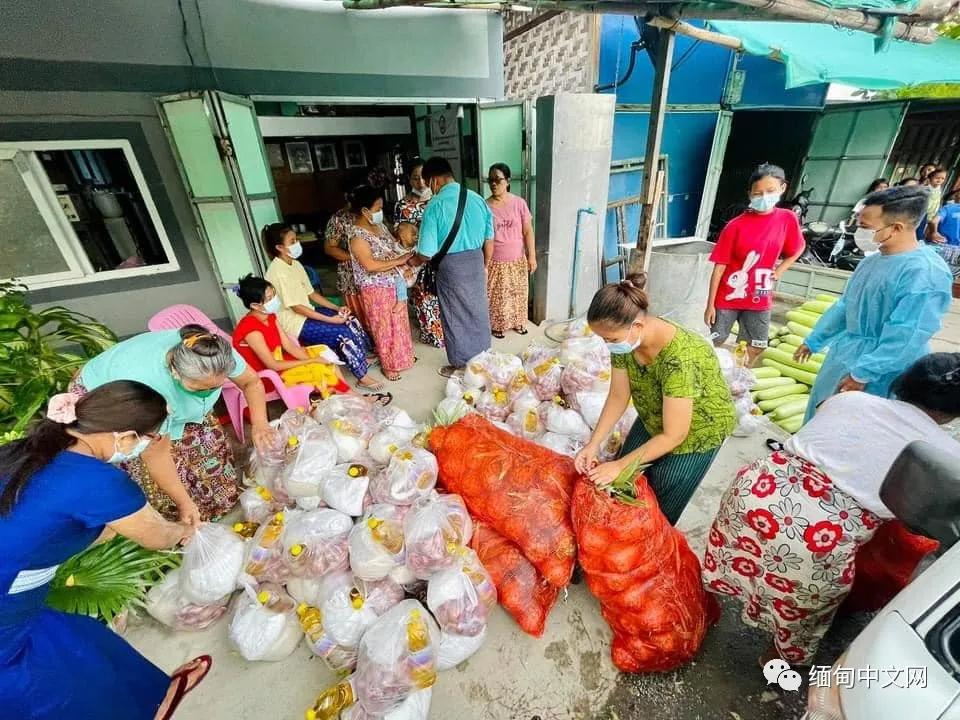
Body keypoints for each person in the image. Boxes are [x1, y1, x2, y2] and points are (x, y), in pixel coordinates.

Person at [703, 353, 960, 666]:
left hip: (755, 490)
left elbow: (826, 426)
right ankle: (777, 657)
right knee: (806, 605)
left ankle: (708, 604)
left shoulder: (851, 400)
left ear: (906, 380)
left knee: (740, 555)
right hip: (816, 534)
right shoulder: (946, 455)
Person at [0, 381, 211, 719]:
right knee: (41, 685)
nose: (145, 446)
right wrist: (186, 531)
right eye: (149, 438)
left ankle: (153, 699)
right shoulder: (98, 482)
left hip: (17, 596)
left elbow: (50, 527)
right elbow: (157, 536)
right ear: (125, 437)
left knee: (77, 640)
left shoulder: (31, 451)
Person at [574, 275, 736, 524]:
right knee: (626, 483)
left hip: (696, 431)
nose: (608, 345)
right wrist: (594, 443)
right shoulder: (625, 341)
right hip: (654, 413)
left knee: (659, 503)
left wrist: (619, 466)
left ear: (636, 326)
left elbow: (675, 435)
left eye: (611, 339)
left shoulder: (680, 357)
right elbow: (618, 396)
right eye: (603, 339)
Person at [74, 325, 271, 523]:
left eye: (215, 387)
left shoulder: (215, 355)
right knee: (165, 476)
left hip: (171, 397)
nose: (208, 393)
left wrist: (260, 424)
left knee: (208, 453)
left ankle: (215, 508)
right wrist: (184, 504)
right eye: (199, 389)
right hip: (113, 397)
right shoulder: (154, 389)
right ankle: (184, 521)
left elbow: (250, 382)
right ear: (175, 372)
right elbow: (156, 454)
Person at [795, 186, 953, 422]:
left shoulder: (925, 273)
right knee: (821, 415)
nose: (859, 232)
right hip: (845, 354)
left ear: (896, 228)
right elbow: (845, 306)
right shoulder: (870, 263)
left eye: (866, 227)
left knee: (856, 427)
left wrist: (863, 374)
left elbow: (907, 334)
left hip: (883, 370)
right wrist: (815, 340)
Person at [705, 163, 805, 366]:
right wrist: (710, 305)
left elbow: (797, 248)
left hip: (760, 294)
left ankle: (739, 375)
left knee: (757, 344)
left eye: (770, 191)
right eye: (758, 193)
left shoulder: (787, 219)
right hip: (728, 295)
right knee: (716, 340)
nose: (764, 197)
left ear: (782, 189)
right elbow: (719, 267)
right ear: (750, 194)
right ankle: (710, 374)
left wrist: (779, 270)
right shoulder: (735, 226)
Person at [264, 223, 381, 391]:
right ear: (279, 247)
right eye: (292, 241)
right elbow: (297, 308)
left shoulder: (294, 264)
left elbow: (311, 294)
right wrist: (330, 319)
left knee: (350, 320)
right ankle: (362, 376)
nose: (297, 243)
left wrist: (336, 308)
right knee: (342, 332)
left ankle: (362, 357)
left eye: (296, 239)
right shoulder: (278, 272)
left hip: (306, 313)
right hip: (294, 323)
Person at [418, 157, 494, 378]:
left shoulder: (436, 205)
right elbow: (489, 238)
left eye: (427, 184)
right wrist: (485, 264)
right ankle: (483, 358)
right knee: (478, 312)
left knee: (454, 315)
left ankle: (461, 366)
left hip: (451, 267)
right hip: (476, 261)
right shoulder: (478, 199)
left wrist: (412, 261)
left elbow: (426, 252)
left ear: (434, 180)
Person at [232, 274, 353, 401]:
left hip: (281, 361)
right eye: (269, 299)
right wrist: (311, 361)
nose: (275, 300)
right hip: (268, 376)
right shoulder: (250, 329)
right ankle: (351, 398)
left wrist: (316, 359)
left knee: (327, 361)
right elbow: (272, 365)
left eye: (274, 294)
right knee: (319, 370)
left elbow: (289, 346)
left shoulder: (270, 317)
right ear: (255, 306)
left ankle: (348, 396)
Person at [348, 184, 416, 382]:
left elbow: (391, 248)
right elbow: (369, 265)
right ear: (364, 211)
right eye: (377, 209)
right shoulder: (357, 237)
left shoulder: (379, 226)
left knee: (399, 323)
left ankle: (401, 358)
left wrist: (405, 262)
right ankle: (389, 365)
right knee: (383, 327)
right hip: (375, 289)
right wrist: (398, 261)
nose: (380, 212)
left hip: (393, 282)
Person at [395, 158, 444, 349]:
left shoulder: (438, 201)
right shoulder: (402, 205)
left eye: (424, 178)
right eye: (415, 178)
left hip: (439, 257)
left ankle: (447, 332)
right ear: (409, 179)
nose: (421, 183)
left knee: (443, 297)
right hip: (416, 259)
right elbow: (399, 234)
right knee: (423, 297)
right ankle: (433, 334)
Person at [484, 163, 535, 339]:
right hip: (495, 261)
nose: (493, 184)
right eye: (490, 180)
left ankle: (518, 322)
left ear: (508, 181)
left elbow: (528, 231)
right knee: (498, 296)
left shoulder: (519, 203)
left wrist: (532, 257)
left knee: (517, 293)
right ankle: (497, 325)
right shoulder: (485, 206)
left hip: (517, 259)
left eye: (498, 180)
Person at [324, 198, 368, 330]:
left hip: (376, 274)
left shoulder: (373, 214)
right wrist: (357, 258)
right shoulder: (339, 219)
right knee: (361, 317)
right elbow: (330, 248)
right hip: (351, 274)